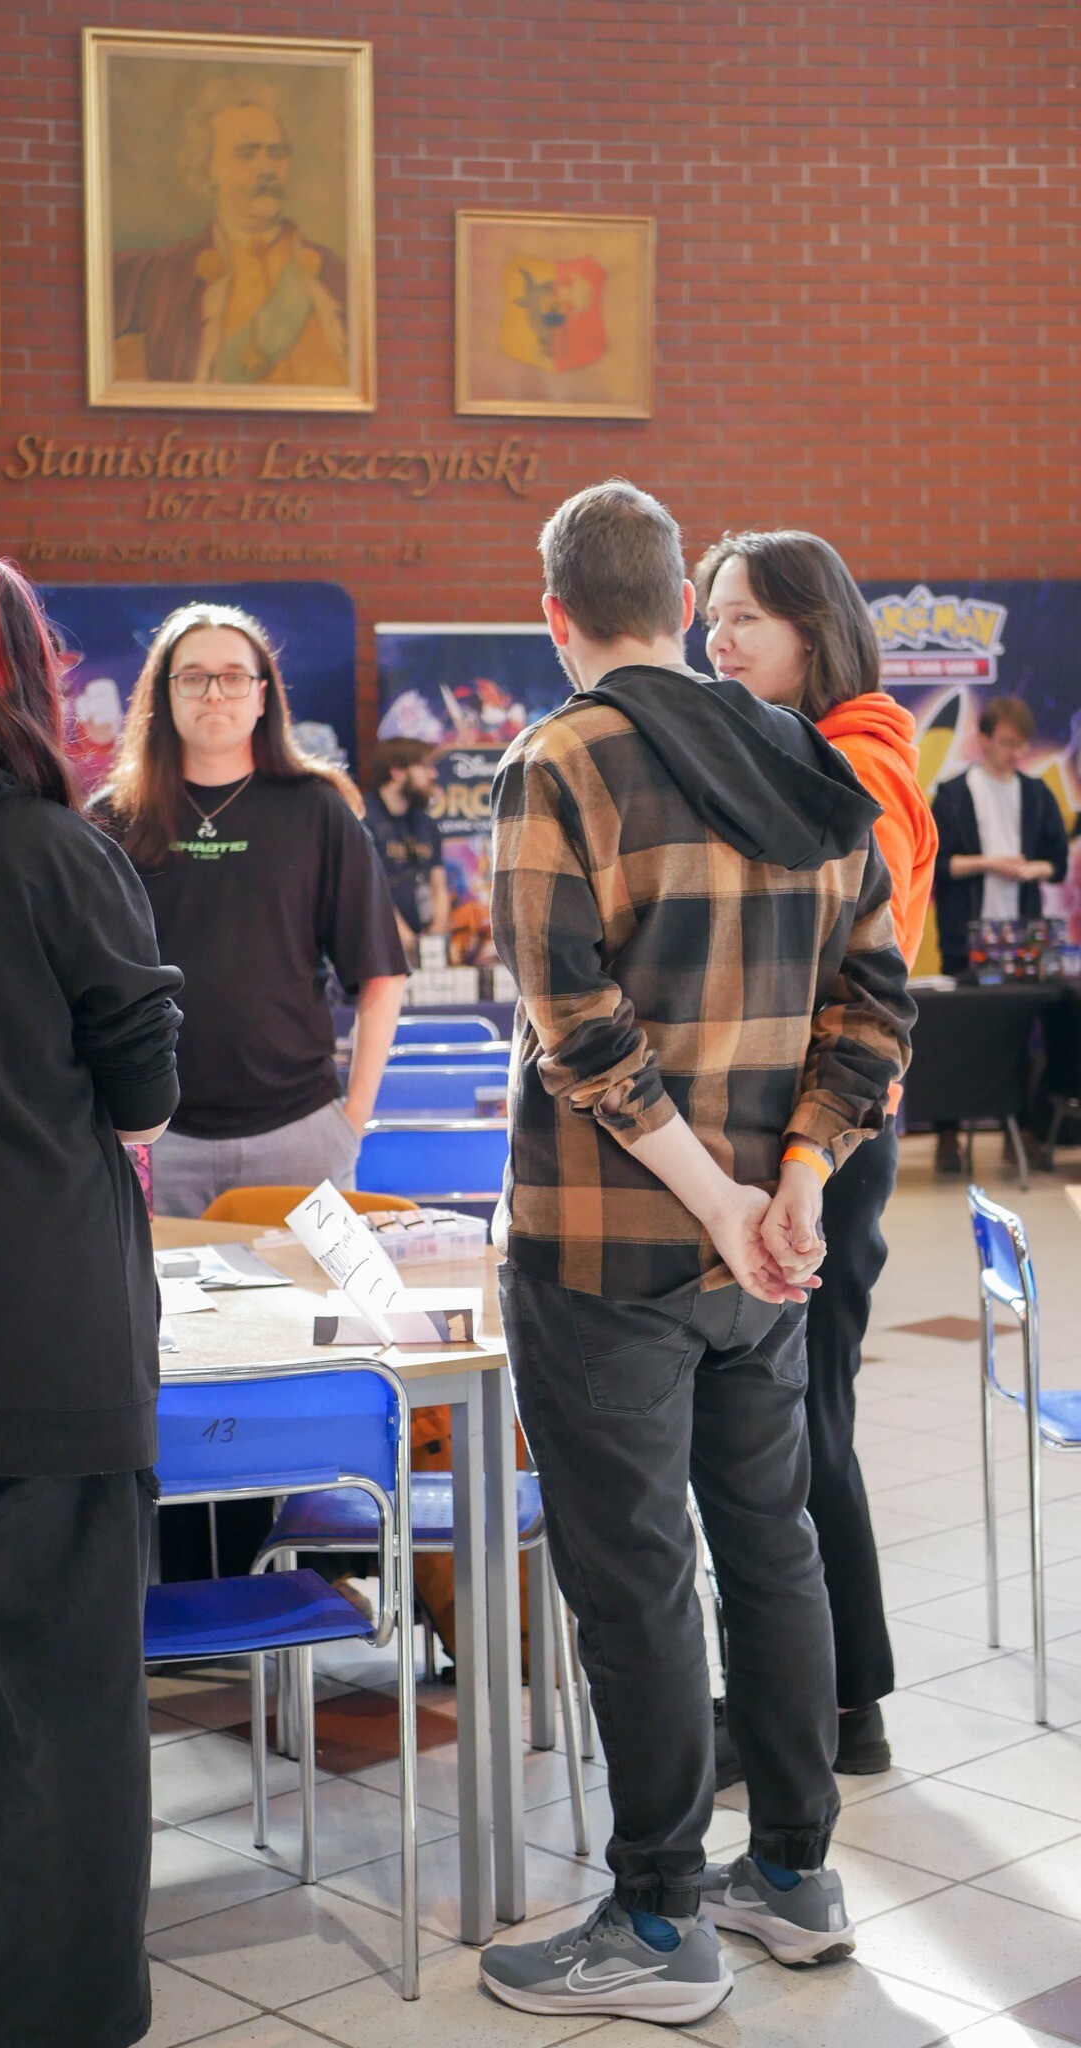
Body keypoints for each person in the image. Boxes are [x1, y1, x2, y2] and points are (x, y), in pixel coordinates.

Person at [478, 482, 913, 2025]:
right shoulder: (806, 753)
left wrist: (728, 1199)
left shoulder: (560, 759)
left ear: (557, 617)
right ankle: (793, 1872)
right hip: (764, 1258)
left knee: (637, 1576)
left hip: (608, 1255)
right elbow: (877, 1008)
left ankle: (661, 1917)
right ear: (679, 603)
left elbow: (577, 1030)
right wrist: (792, 1180)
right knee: (770, 1544)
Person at [0, 548, 182, 2048]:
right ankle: (54, 2015)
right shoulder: (54, 852)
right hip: (48, 1347)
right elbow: (144, 1091)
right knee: (59, 1718)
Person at [696, 528, 937, 1778]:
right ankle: (836, 1699)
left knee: (797, 1423)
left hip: (826, 1136)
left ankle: (835, 1706)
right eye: (711, 615)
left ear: (814, 627)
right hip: (804, 1131)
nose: (718, 639)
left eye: (745, 616)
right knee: (789, 1421)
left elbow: (845, 966)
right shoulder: (810, 747)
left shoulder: (859, 759)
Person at [95, 601, 407, 1221]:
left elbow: (381, 974)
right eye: (193, 677)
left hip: (299, 1135)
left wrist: (350, 1122)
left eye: (233, 676)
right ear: (164, 693)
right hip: (153, 1140)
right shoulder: (110, 820)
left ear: (263, 695)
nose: (215, 692)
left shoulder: (318, 810)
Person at [113, 80, 348, 389]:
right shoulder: (163, 277)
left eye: (277, 152)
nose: (267, 168)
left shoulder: (334, 275)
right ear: (208, 167)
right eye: (247, 154)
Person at [931, 696, 1068, 1172]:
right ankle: (947, 1134)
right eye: (1008, 742)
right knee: (956, 1035)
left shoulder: (1036, 793)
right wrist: (990, 863)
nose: (1016, 753)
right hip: (964, 937)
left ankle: (1023, 1130)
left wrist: (1031, 869)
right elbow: (939, 865)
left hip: (1022, 937)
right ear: (984, 740)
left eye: (1021, 744)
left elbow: (1056, 863)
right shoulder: (953, 793)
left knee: (1020, 1036)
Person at [364, 738, 451, 963]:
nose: (433, 774)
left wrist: (435, 938)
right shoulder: (363, 821)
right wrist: (406, 940)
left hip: (424, 948)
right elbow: (368, 891)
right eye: (424, 767)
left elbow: (439, 885)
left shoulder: (426, 825)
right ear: (398, 773)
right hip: (379, 950)